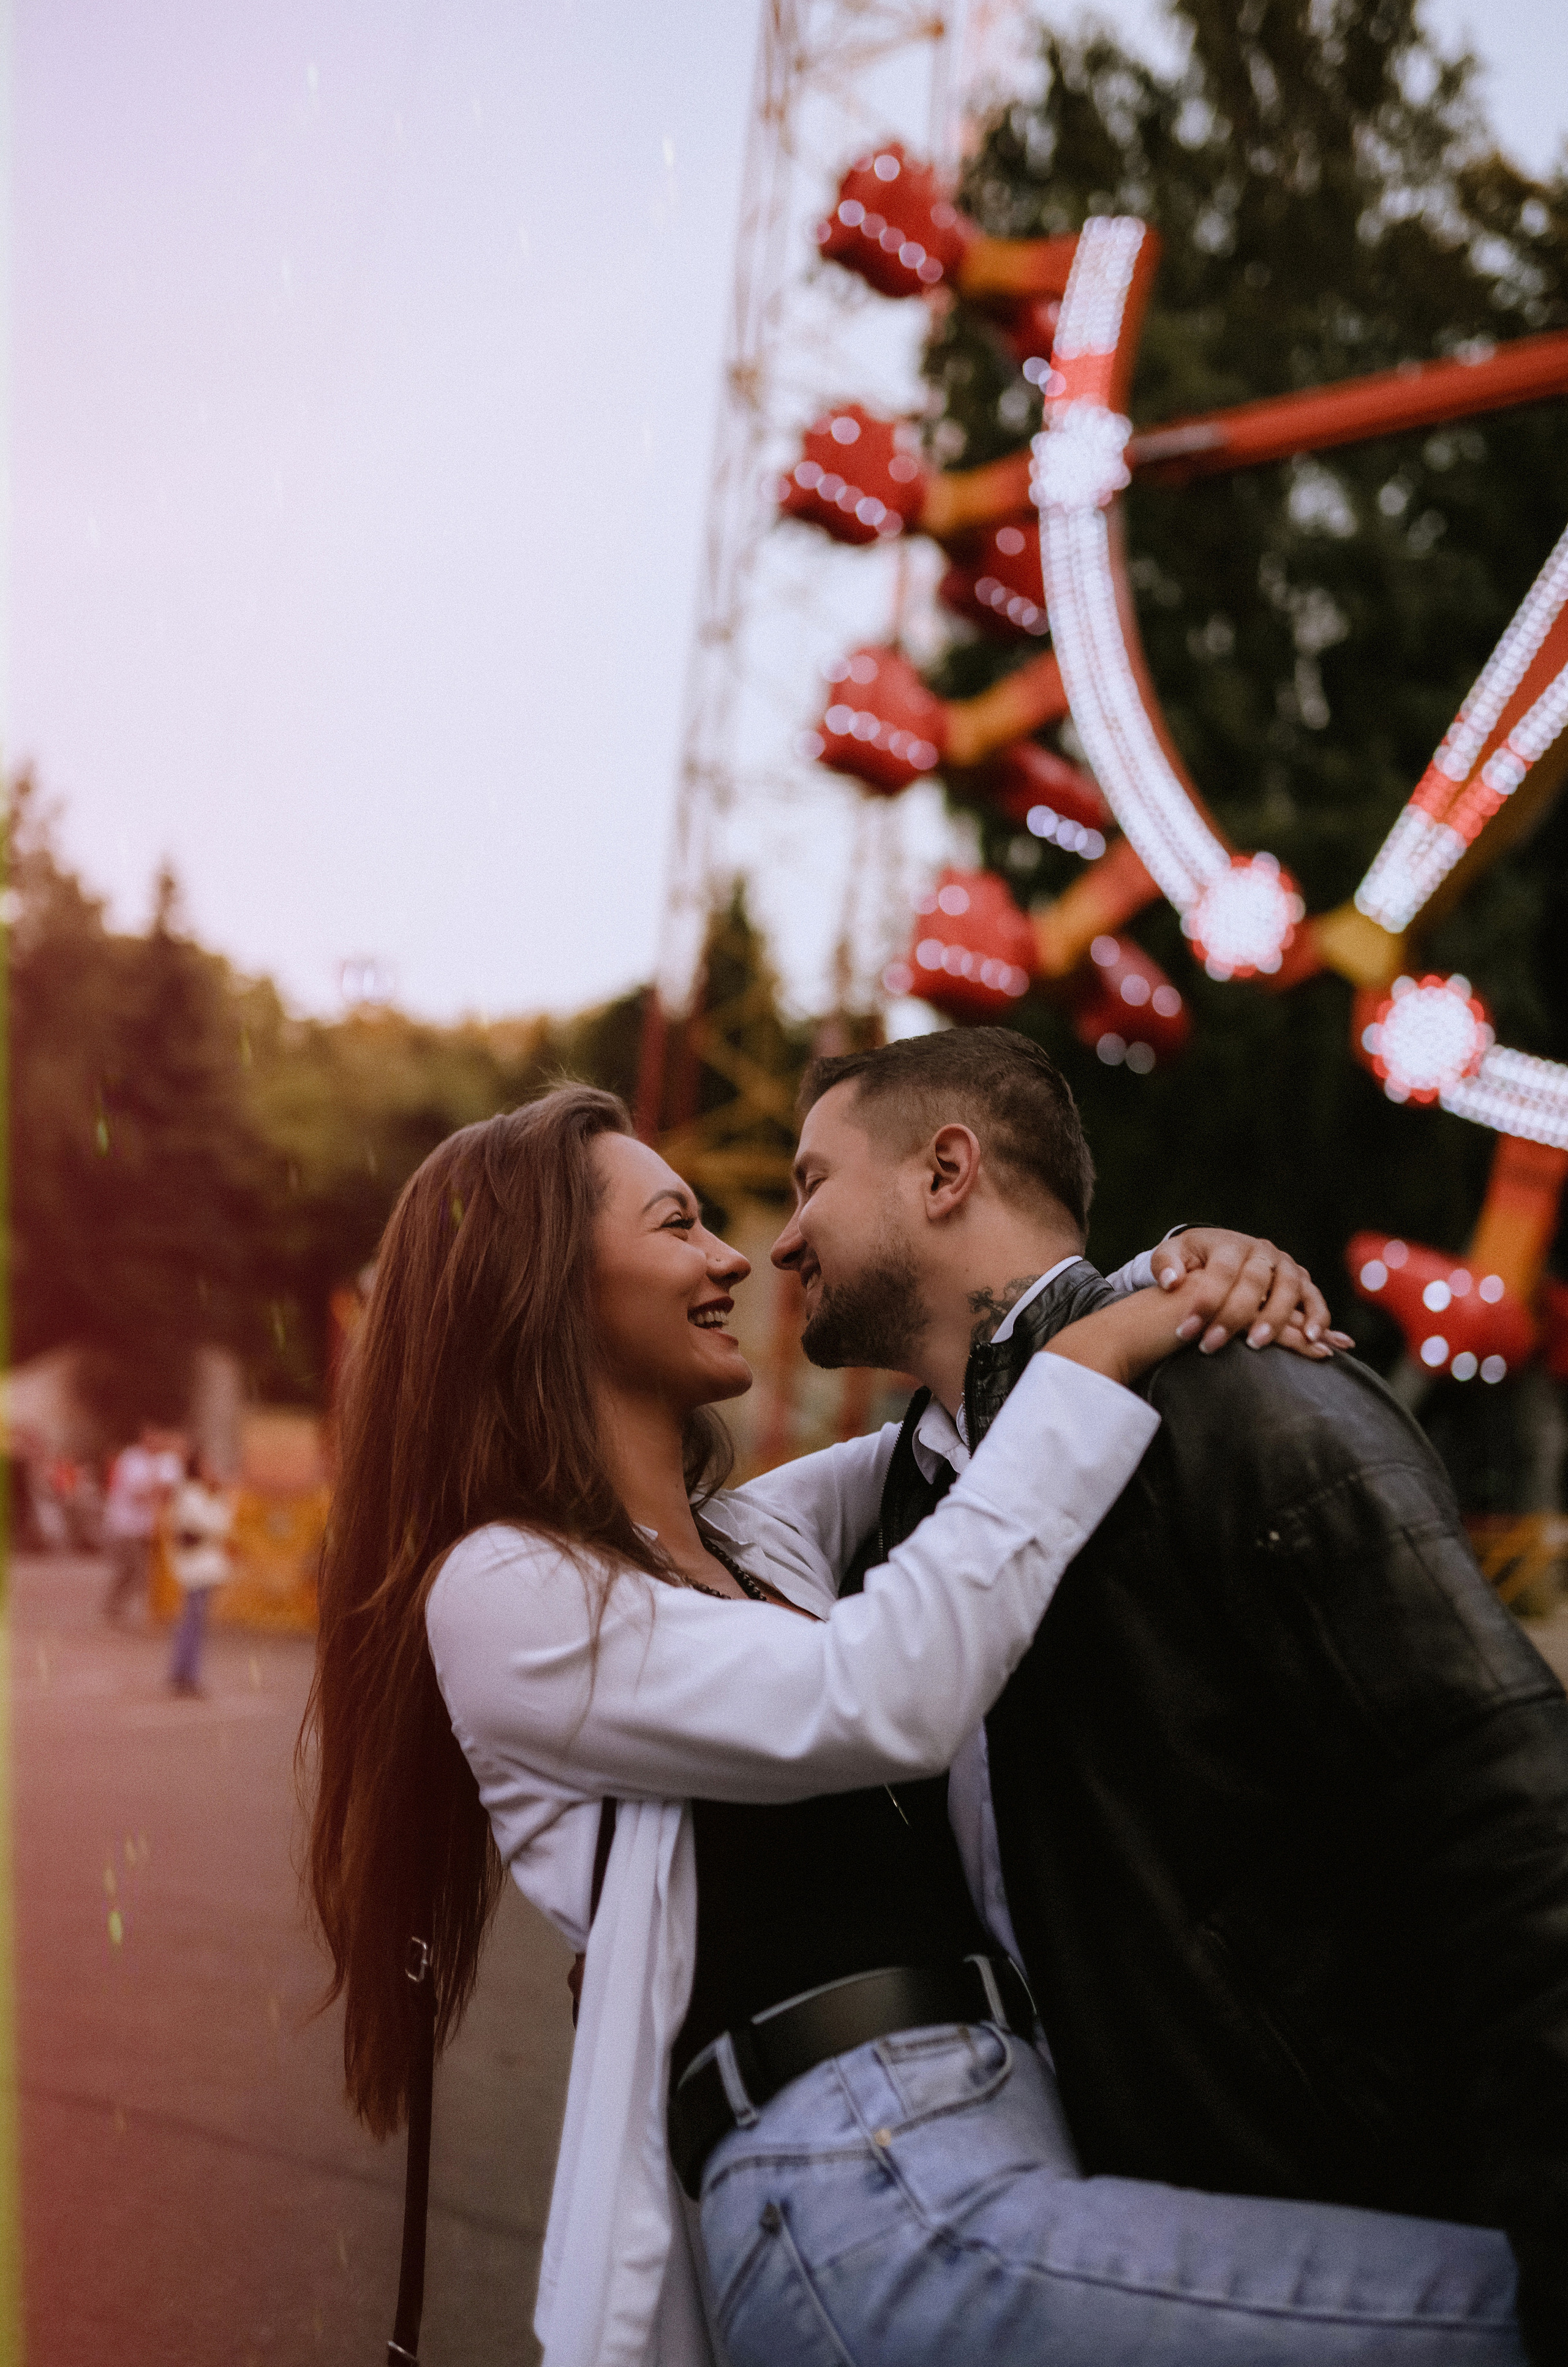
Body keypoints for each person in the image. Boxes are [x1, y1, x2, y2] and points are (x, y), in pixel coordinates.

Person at [306, 1085, 1526, 2367]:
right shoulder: (502, 1590)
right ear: (541, 1284)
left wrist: (1196, 1265)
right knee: (1488, 2311)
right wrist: (1106, 1343)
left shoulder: (754, 1541)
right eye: (679, 1225)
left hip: (992, 2129)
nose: (735, 1255)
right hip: (863, 2178)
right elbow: (881, 1690)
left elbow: (974, 1422)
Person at [769, 1026, 1568, 2365]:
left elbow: (1512, 1830)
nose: (782, 1240)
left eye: (808, 1183)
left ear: (944, 1170)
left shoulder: (1241, 1392)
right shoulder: (902, 1516)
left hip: (1354, 2223)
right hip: (1118, 2258)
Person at [166, 1453, 234, 1697]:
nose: (213, 1469)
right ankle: (187, 1676)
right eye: (208, 1465)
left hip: (203, 1565)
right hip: (196, 1566)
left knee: (193, 1621)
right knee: (193, 1622)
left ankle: (180, 1673)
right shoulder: (191, 1493)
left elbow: (222, 1526)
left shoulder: (202, 1493)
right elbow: (214, 1525)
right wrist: (220, 1498)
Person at [102, 1425, 184, 1620]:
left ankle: (125, 1609)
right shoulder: (131, 1459)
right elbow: (139, 1493)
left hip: (154, 1527)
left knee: (144, 1572)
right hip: (127, 1525)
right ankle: (124, 1609)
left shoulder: (168, 1460)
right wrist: (157, 1489)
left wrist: (156, 1490)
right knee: (134, 1570)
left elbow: (171, 1491)